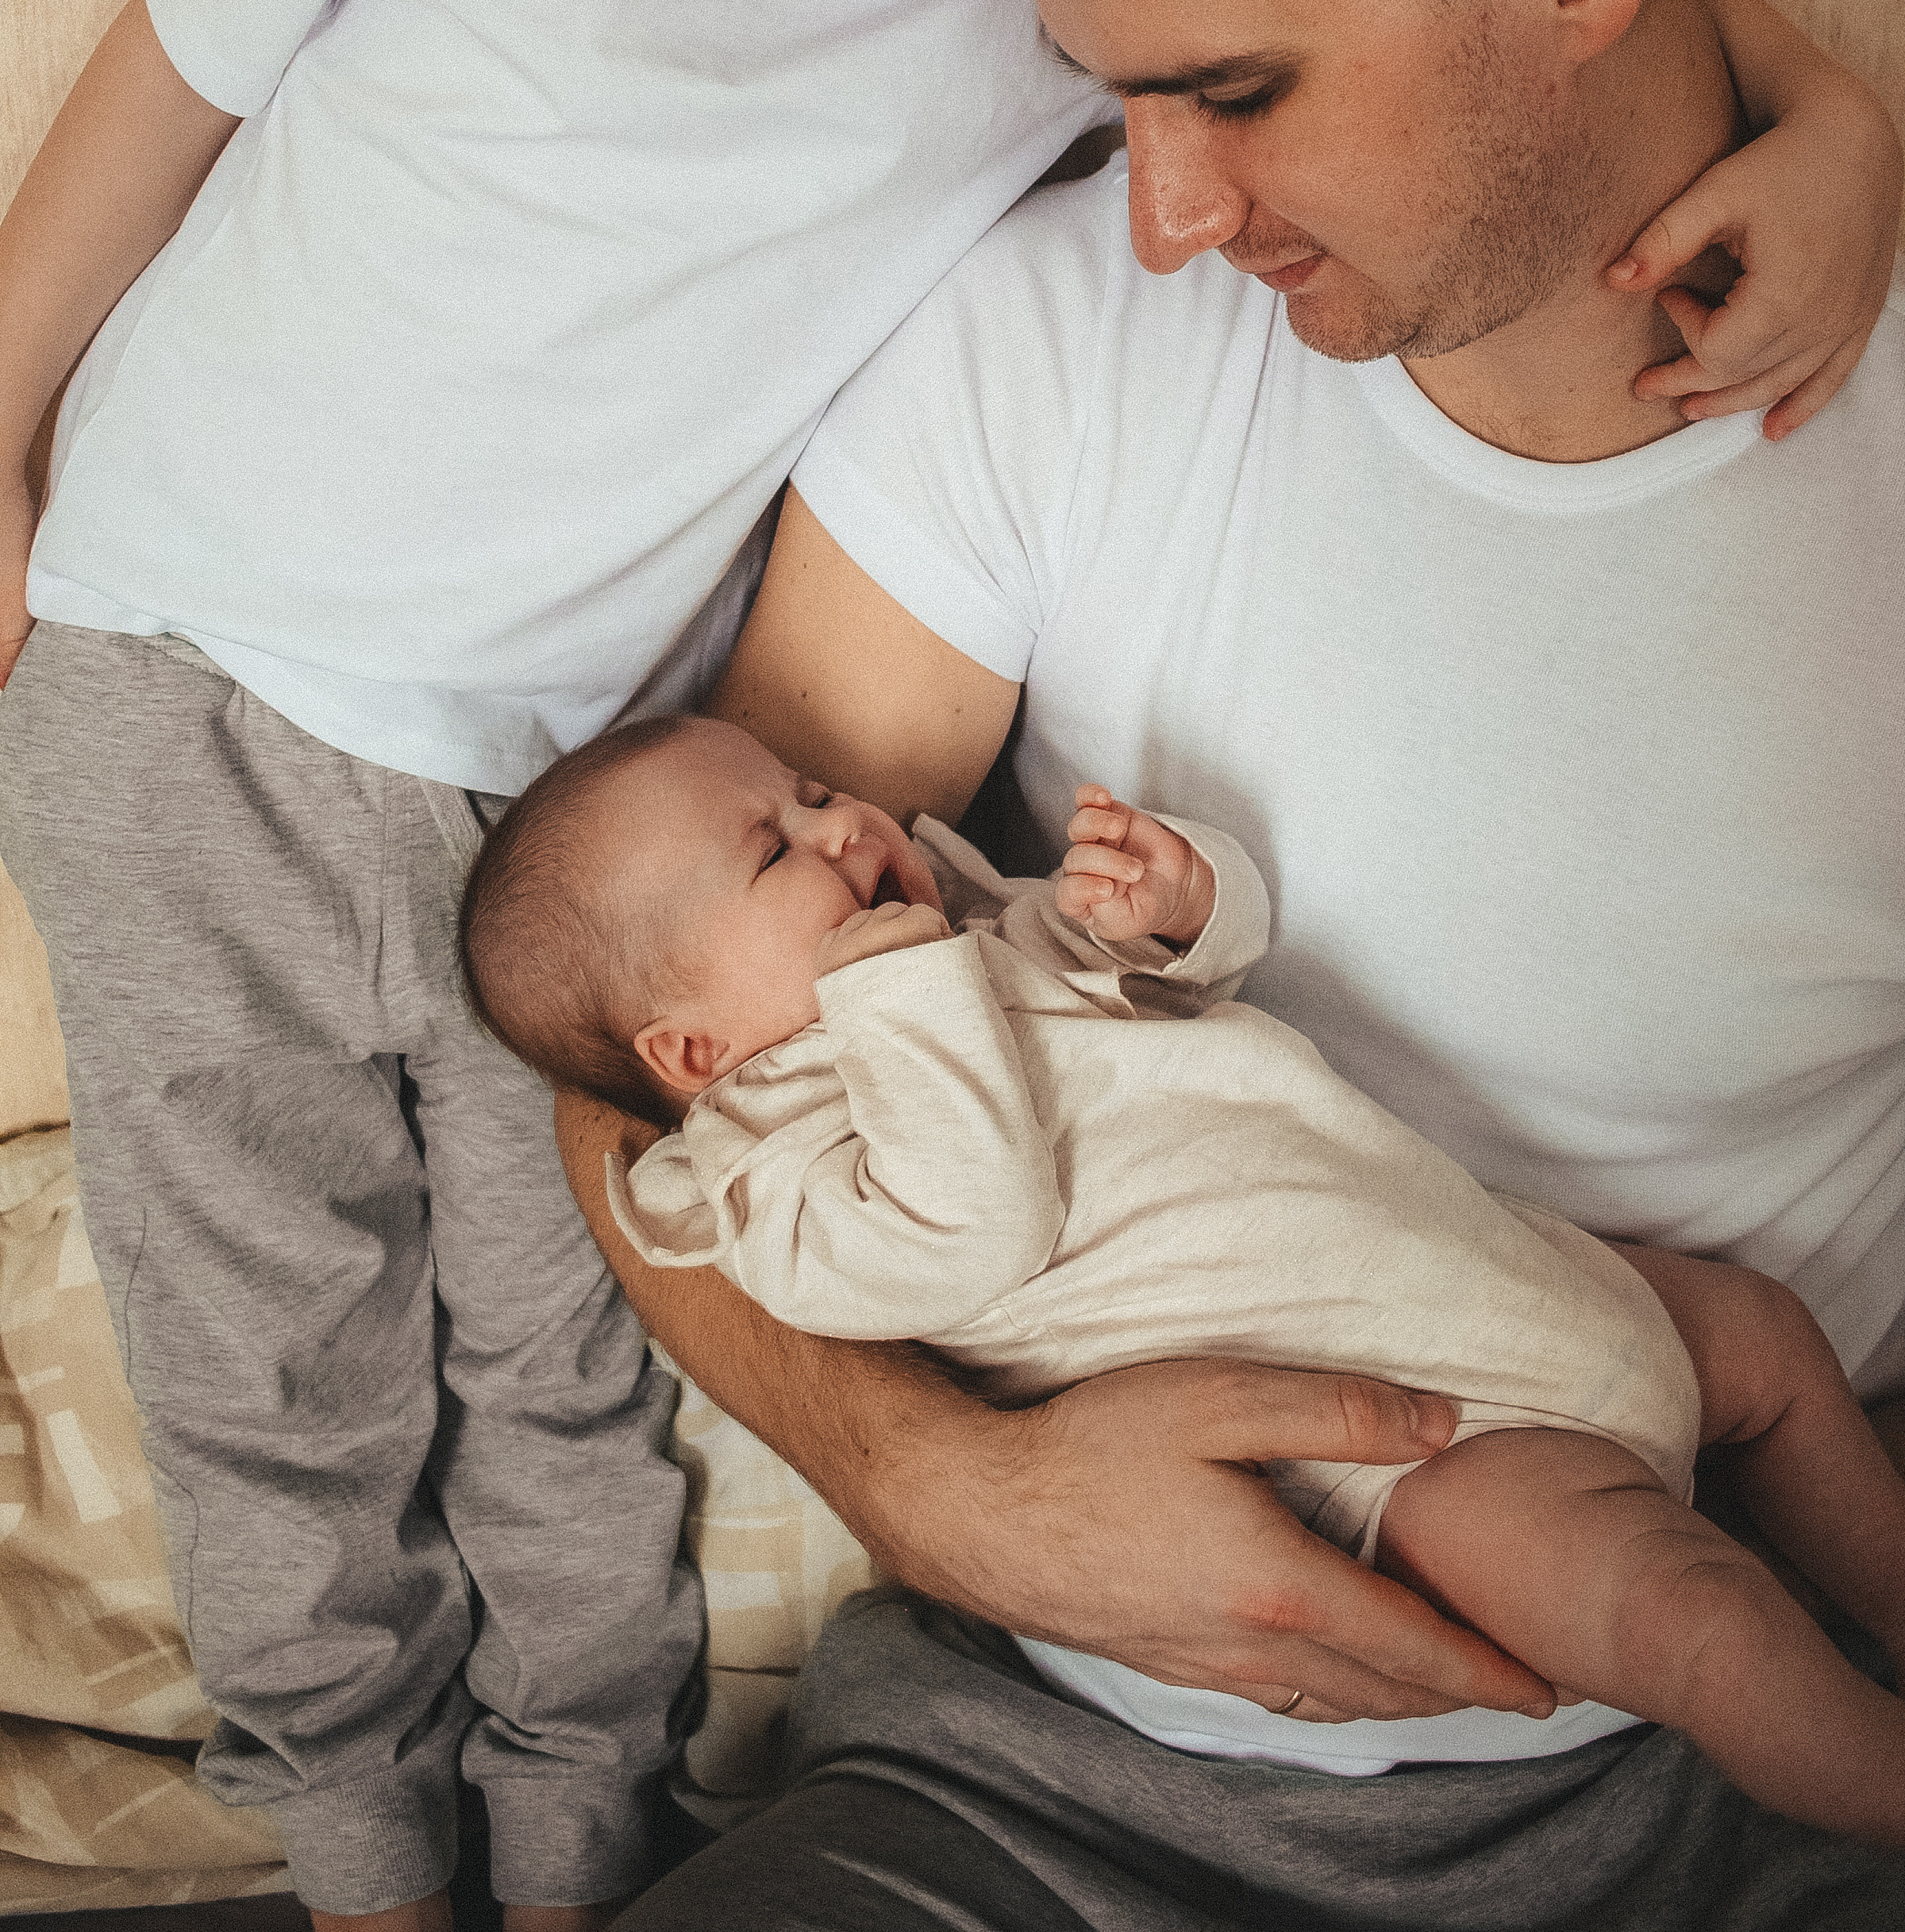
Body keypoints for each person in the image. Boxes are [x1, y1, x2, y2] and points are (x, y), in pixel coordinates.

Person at [555, 0, 1905, 1928]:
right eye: (1117, 100)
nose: (1165, 214)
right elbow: (633, 1036)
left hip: (1733, 1753)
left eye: (1240, 90)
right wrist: (940, 1484)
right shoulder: (1039, 365)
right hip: (1041, 1786)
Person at [0, 0, 1157, 1932]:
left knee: (573, 1339)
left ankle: (575, 1837)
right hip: (176, 661)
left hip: (581, 813)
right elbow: (178, 54)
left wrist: (1830, 125)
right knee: (266, 1334)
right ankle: (362, 1840)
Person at [462, 712, 1905, 1852]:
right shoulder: (777, 1192)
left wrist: (1176, 905)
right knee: (1689, 1614)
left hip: (1502, 1272)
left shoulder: (975, 946)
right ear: (696, 1056)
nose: (842, 825)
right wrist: (903, 992)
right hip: (1421, 1444)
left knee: (1765, 1342)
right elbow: (972, 1226)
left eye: (814, 788)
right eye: (777, 852)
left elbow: (1184, 988)